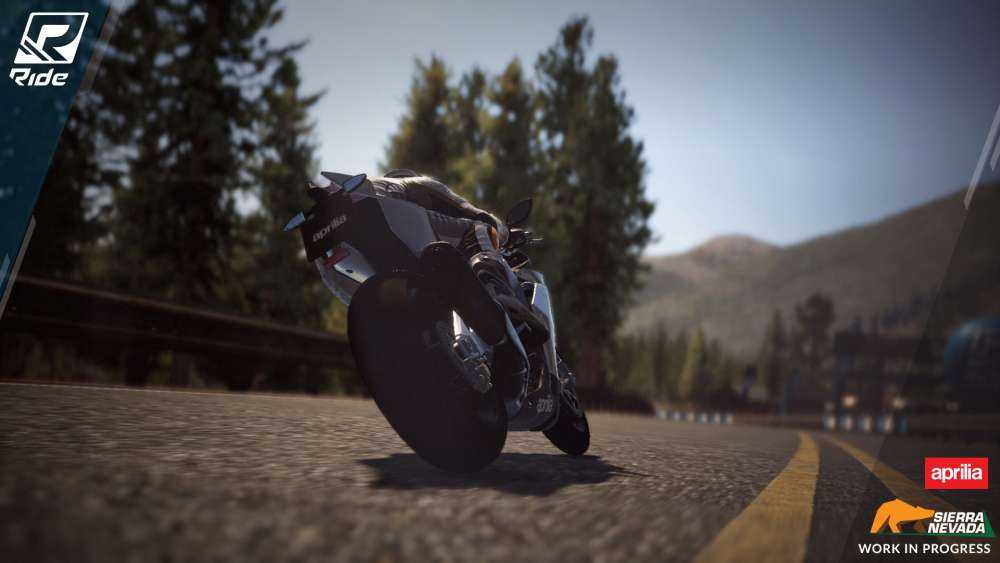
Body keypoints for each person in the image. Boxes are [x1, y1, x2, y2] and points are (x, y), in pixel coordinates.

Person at [368, 169, 549, 349]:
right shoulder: (414, 182)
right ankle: (500, 296)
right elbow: (472, 211)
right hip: (388, 214)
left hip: (369, 246)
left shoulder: (372, 186)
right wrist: (503, 234)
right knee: (478, 229)